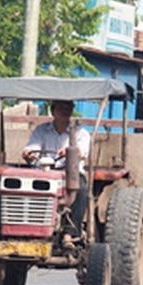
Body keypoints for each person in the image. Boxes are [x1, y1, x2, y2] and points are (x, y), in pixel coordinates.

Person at [22, 100, 90, 248]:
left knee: (81, 189)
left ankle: (69, 234)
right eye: (61, 107)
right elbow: (32, 147)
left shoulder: (81, 133)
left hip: (69, 173)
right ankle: (27, 229)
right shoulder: (41, 130)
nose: (65, 110)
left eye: (68, 107)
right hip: (44, 171)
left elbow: (81, 151)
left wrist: (70, 152)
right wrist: (29, 153)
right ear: (52, 111)